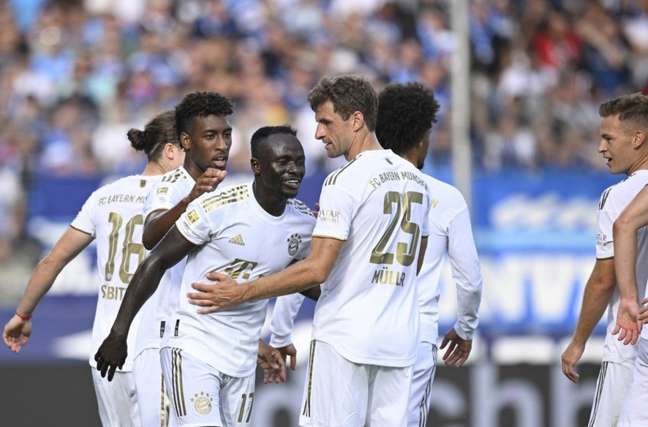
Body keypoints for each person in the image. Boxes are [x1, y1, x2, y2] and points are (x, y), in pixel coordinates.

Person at [188, 75, 432, 426]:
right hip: (400, 338)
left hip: (345, 337)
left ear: (357, 120)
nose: (318, 133)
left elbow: (316, 270)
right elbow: (416, 261)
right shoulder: (416, 181)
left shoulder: (344, 180)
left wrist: (243, 291)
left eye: (326, 122)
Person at [94, 126, 315, 426]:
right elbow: (156, 261)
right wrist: (118, 334)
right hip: (192, 348)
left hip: (242, 359)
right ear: (257, 166)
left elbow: (308, 281)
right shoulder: (218, 208)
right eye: (284, 161)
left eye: (299, 161)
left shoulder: (302, 223)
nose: (295, 170)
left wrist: (277, 337)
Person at [2, 110, 185, 427]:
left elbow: (53, 259)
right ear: (171, 150)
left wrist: (23, 315)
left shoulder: (106, 194)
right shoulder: (184, 197)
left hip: (105, 349)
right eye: (190, 148)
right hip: (157, 349)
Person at [376, 82, 483, 427]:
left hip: (362, 326)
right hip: (413, 330)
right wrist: (465, 328)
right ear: (423, 137)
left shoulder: (358, 186)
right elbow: (469, 279)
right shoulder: (445, 197)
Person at [131, 91, 231, 427]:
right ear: (186, 141)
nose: (222, 145)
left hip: (212, 339)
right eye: (211, 136)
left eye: (226, 135)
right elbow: (150, 236)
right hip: (164, 337)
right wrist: (191, 198)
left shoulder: (232, 194)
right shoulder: (170, 187)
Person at [560, 93, 648, 427]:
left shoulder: (618, 197)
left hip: (630, 342)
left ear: (637, 139)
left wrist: (578, 341)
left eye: (608, 138)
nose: (601, 147)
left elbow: (603, 279)